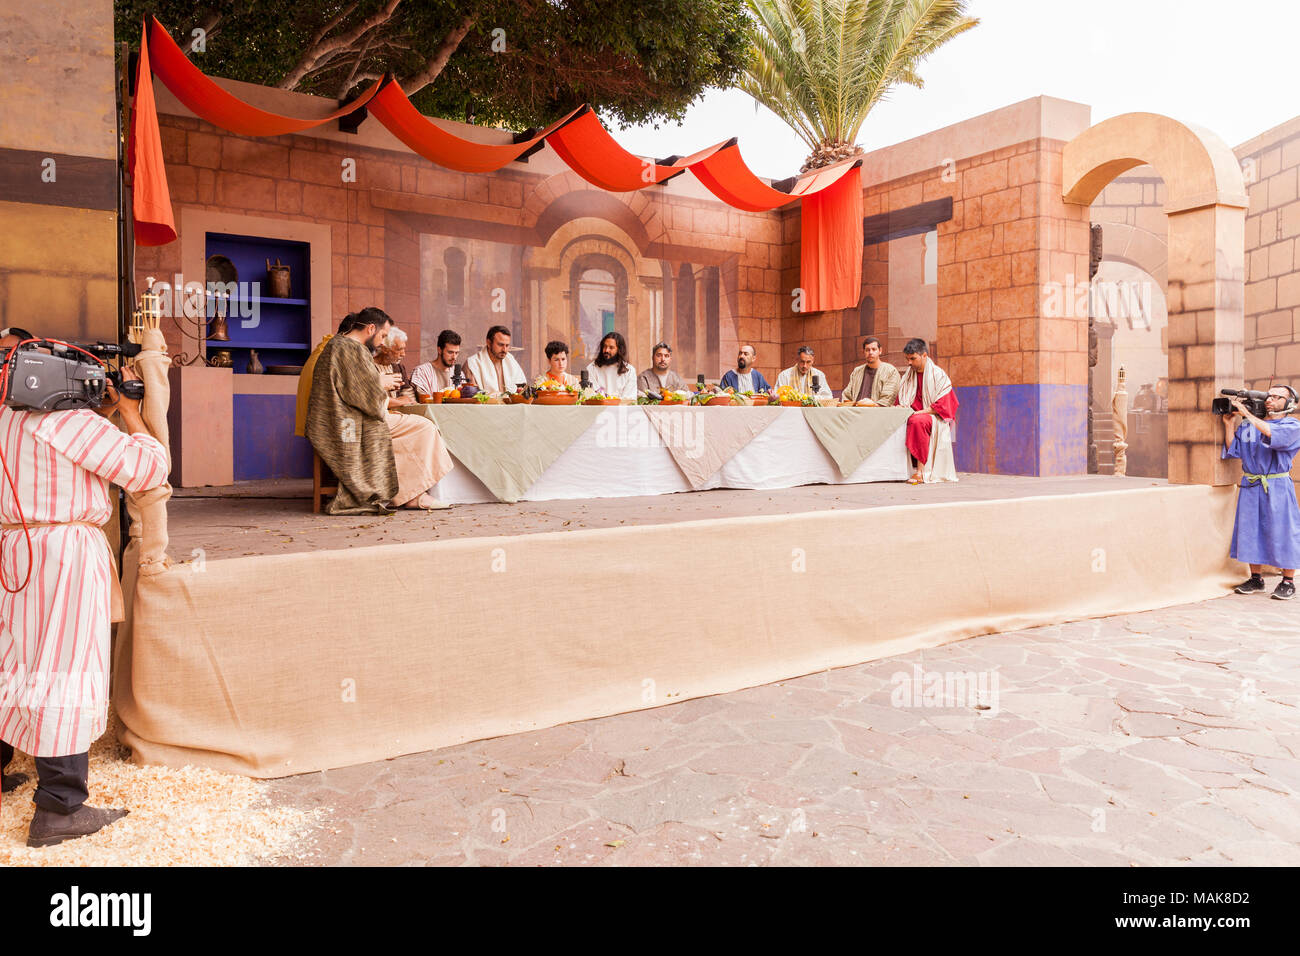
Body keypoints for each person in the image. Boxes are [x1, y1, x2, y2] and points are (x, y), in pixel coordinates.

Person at [0, 329, 169, 846]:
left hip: (15, 548)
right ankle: (59, 809)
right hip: (65, 557)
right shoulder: (67, 422)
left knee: (13, 660)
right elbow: (148, 468)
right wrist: (132, 413)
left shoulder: (7, 419)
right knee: (64, 668)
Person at [306, 308, 453, 513]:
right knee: (425, 428)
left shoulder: (341, 345)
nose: (383, 342)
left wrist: (378, 385)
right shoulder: (350, 348)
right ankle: (413, 496)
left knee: (410, 432)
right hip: (349, 423)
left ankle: (408, 493)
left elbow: (353, 388)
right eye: (383, 335)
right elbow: (359, 395)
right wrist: (380, 383)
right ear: (371, 328)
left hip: (349, 418)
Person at [1222, 384, 1300, 600]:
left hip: (1277, 485)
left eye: (1277, 397)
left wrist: (1246, 413)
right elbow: (1234, 450)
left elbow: (1270, 433)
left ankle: (1288, 581)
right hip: (1251, 484)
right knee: (1250, 530)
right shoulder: (1248, 426)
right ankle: (1256, 578)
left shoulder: (1292, 425)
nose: (1270, 400)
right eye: (1269, 395)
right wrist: (1229, 425)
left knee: (1283, 530)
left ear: (1290, 403)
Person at [895, 338, 959, 484]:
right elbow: (901, 400)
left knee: (917, 421)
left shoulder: (938, 375)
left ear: (924, 356)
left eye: (913, 358)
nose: (909, 363)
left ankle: (920, 472)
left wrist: (919, 413)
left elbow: (944, 405)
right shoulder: (907, 376)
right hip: (912, 414)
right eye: (907, 359)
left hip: (935, 417)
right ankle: (896, 470)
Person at [464, 325, 528, 394]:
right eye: (500, 345)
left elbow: (523, 390)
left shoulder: (511, 361)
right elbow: (472, 395)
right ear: (489, 343)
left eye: (507, 345)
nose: (505, 350)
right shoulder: (473, 364)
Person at [841, 336, 902, 406]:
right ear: (863, 351)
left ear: (880, 351)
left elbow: (888, 398)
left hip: (878, 413)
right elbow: (847, 395)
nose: (870, 352)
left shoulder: (890, 371)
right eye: (867, 350)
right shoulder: (857, 371)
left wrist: (873, 404)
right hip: (856, 411)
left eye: (874, 349)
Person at [410, 329, 464, 397]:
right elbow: (423, 400)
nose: (454, 357)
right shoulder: (422, 372)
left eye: (456, 353)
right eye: (450, 352)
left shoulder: (459, 374)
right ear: (439, 350)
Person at [585, 331, 637, 400]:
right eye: (605, 346)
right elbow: (593, 396)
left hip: (622, 409)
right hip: (599, 409)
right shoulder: (592, 368)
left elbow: (629, 398)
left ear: (619, 350)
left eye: (611, 347)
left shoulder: (629, 370)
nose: (606, 350)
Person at [374, 326, 415, 406]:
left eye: (404, 349)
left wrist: (396, 401)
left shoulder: (399, 368)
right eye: (399, 349)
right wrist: (399, 401)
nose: (403, 354)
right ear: (385, 349)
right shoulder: (368, 366)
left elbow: (410, 398)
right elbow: (373, 400)